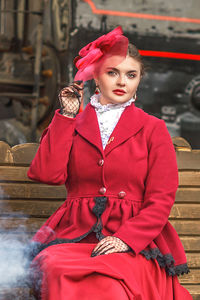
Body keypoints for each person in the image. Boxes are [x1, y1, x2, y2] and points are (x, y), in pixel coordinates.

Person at [27, 27, 192, 300]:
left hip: (134, 242)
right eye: (112, 72)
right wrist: (67, 116)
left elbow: (161, 199)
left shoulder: (154, 128)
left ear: (139, 80)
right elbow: (47, 174)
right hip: (74, 236)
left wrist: (126, 238)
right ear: (96, 76)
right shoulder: (73, 123)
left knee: (109, 284)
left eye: (131, 75)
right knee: (54, 267)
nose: (122, 82)